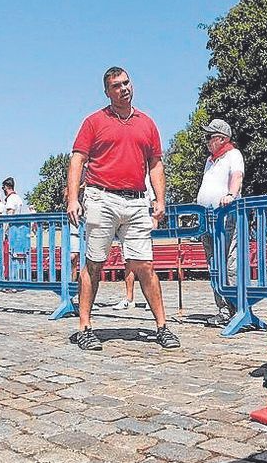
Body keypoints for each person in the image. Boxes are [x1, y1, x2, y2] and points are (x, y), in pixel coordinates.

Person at [66, 66, 178, 351]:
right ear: (107, 91)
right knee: (95, 262)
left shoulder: (147, 123)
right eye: (116, 85)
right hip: (101, 197)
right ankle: (85, 327)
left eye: (126, 83)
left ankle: (162, 326)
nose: (123, 88)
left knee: (144, 264)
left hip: (137, 200)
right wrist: (72, 199)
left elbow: (155, 164)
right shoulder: (93, 121)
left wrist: (160, 199)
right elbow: (78, 159)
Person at [196, 118, 244, 326]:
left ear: (222, 139)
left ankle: (235, 309)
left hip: (226, 215)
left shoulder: (233, 154)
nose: (206, 141)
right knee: (214, 264)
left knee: (229, 262)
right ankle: (223, 308)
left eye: (210, 137)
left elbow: (237, 177)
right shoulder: (210, 160)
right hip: (207, 217)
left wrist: (231, 194)